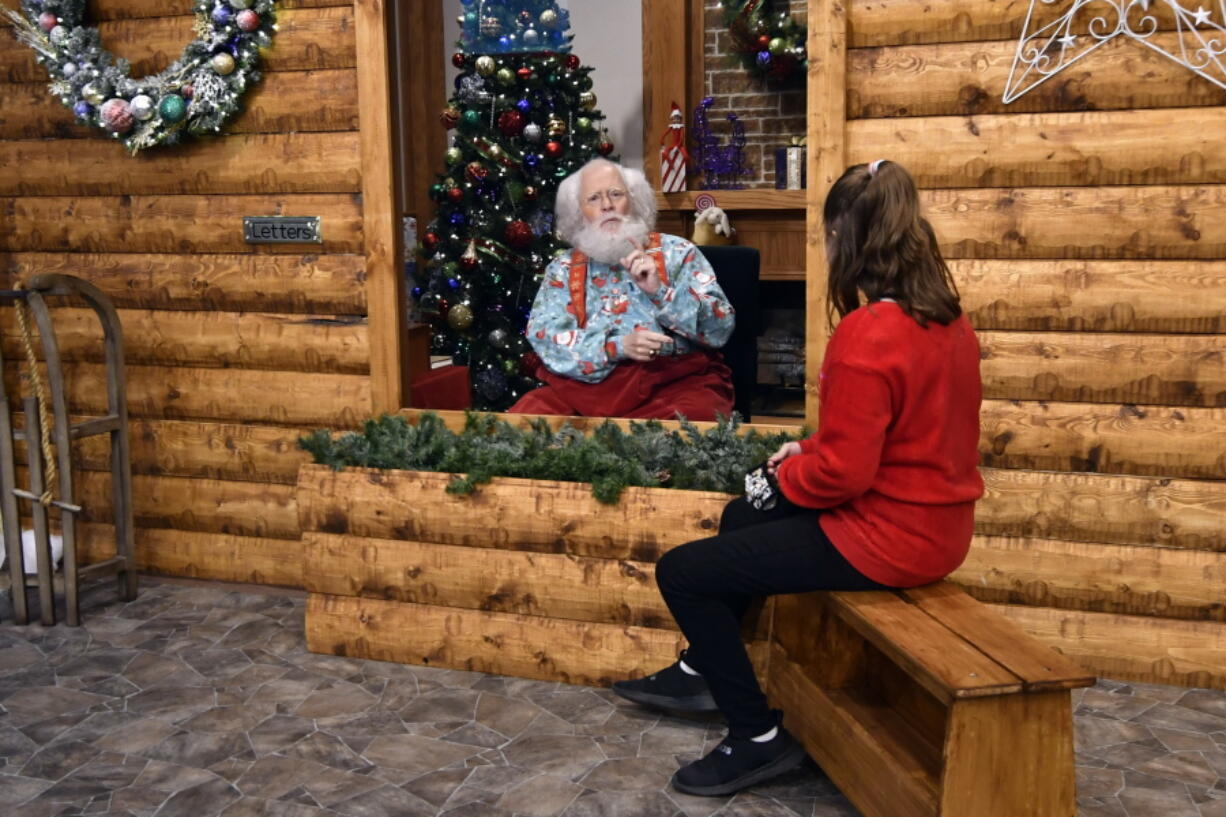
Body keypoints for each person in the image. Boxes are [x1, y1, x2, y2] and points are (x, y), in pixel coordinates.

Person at [611, 159, 985, 797]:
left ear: (848, 236)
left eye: (830, 236)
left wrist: (785, 477)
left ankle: (757, 739)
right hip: (938, 525)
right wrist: (801, 452)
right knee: (741, 517)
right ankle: (700, 668)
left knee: (685, 573)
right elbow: (883, 437)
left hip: (888, 537)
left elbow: (843, 473)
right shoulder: (947, 320)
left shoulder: (869, 333)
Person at [507, 158, 737, 419]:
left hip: (674, 383)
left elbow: (721, 328)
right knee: (525, 422)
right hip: (584, 389)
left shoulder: (679, 252)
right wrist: (615, 347)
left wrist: (660, 293)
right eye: (593, 198)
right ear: (579, 213)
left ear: (634, 200)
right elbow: (545, 337)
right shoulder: (562, 268)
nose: (607, 205)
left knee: (688, 428)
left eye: (616, 194)